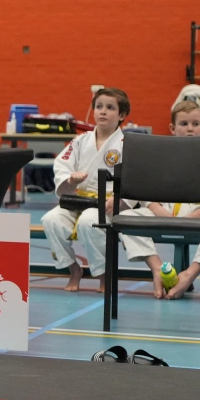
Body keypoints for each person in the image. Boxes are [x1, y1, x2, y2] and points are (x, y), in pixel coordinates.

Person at [122, 100, 200, 300]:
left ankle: (190, 274)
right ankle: (157, 267)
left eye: (195, 124)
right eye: (184, 124)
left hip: (199, 217)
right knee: (126, 217)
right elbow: (144, 190)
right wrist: (158, 210)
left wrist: (193, 218)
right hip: (164, 214)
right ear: (172, 128)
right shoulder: (159, 156)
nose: (190, 129)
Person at [41, 88, 129, 293]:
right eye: (99, 107)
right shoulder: (81, 140)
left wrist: (119, 198)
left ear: (122, 115)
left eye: (110, 107)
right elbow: (62, 164)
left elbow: (136, 176)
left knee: (89, 222)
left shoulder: (126, 144)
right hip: (78, 200)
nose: (103, 111)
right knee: (50, 220)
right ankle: (74, 269)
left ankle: (104, 275)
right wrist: (70, 179)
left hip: (107, 205)